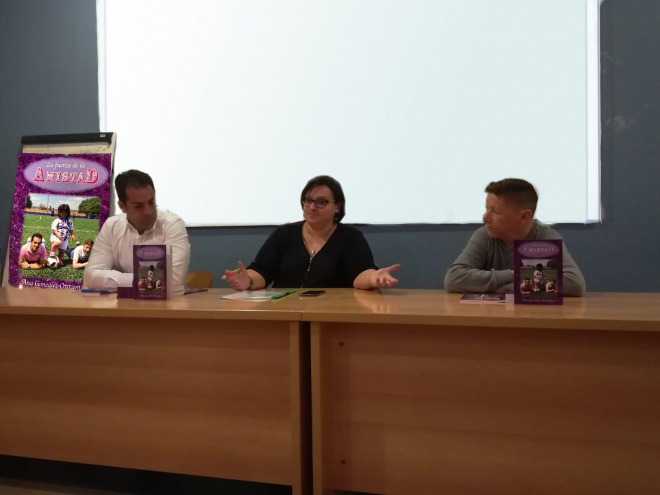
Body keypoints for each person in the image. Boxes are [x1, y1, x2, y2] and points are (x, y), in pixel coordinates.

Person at [224, 175, 401, 290]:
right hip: (286, 312)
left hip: (331, 313)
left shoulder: (350, 237)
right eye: (307, 201)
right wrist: (248, 281)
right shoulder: (284, 234)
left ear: (337, 206)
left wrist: (373, 278)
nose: (312, 207)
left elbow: (360, 273)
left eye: (321, 202)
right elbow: (261, 271)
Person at [444, 178, 586, 296]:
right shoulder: (485, 235)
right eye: (486, 209)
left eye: (495, 211)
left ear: (524, 216)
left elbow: (574, 283)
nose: (485, 217)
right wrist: (512, 274)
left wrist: (502, 288)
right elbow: (454, 278)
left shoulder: (546, 237)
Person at [83, 170, 190, 292]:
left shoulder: (172, 224)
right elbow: (91, 277)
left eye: (151, 202)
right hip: (121, 307)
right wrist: (146, 281)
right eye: (138, 206)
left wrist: (117, 281)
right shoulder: (111, 226)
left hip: (165, 308)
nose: (148, 211)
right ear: (122, 206)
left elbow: (174, 281)